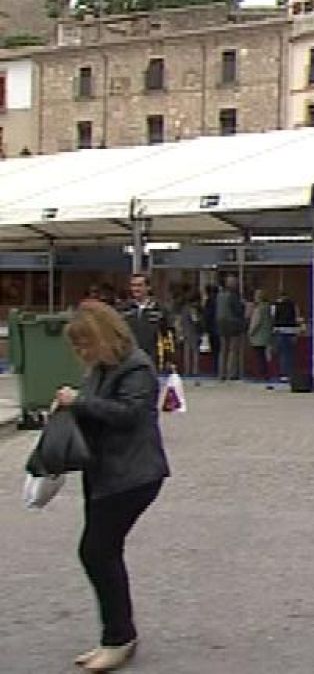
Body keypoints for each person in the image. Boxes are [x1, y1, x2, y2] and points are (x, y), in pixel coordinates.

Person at [55, 300, 170, 672]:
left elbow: (129, 414)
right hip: (107, 474)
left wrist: (81, 403)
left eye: (86, 344)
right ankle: (119, 634)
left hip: (132, 476)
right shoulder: (103, 369)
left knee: (97, 550)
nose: (81, 353)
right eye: (77, 346)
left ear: (105, 336)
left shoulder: (136, 367)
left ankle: (119, 637)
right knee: (102, 551)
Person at [119, 273, 170, 368]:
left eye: (139, 285)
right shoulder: (123, 309)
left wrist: (169, 358)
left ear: (148, 287)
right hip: (128, 359)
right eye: (133, 286)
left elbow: (168, 336)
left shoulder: (160, 309)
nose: (135, 289)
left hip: (152, 359)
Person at [215, 274, 247, 381]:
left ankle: (221, 373)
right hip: (233, 324)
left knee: (223, 350)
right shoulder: (233, 296)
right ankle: (231, 373)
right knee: (233, 350)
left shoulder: (219, 296)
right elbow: (238, 310)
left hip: (221, 324)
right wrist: (243, 305)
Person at [270, 290, 300, 385]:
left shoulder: (275, 306)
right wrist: (296, 332)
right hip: (291, 331)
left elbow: (272, 318)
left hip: (279, 331)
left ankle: (283, 374)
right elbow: (296, 318)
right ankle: (290, 373)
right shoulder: (293, 305)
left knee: (282, 354)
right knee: (290, 354)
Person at [247, 288, 273, 380]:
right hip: (266, 335)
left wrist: (250, 332)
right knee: (263, 356)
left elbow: (255, 322)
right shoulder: (268, 308)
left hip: (258, 336)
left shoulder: (258, 309)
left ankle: (260, 374)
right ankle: (265, 373)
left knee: (258, 356)